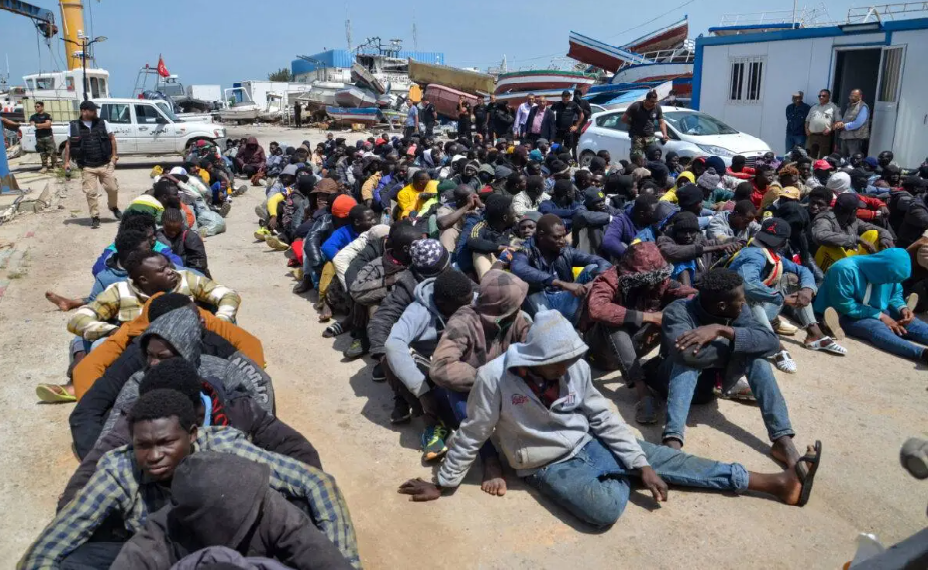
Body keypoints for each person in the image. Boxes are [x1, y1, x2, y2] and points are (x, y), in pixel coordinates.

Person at [398, 310, 823, 527]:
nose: (568, 369)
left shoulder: (575, 368)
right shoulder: (494, 378)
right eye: (559, 363)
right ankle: (628, 471)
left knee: (664, 461)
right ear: (536, 359)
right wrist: (444, 483)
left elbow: (602, 417)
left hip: (589, 442)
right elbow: (474, 431)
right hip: (544, 465)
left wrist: (638, 461)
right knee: (603, 512)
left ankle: (776, 482)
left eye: (571, 361)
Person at [19, 390, 360, 569]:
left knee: (298, 514)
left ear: (193, 434)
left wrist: (347, 561)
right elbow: (54, 543)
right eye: (143, 445)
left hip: (243, 545)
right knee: (75, 562)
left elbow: (316, 483)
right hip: (166, 553)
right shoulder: (118, 469)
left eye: (166, 442)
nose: (154, 456)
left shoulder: (225, 449)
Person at [61, 356, 319, 511]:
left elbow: (297, 450)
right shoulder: (145, 418)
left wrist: (296, 510)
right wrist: (73, 509)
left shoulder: (238, 410)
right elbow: (95, 464)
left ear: (194, 416)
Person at [658, 268, 813, 470]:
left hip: (706, 389)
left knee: (757, 358)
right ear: (722, 306)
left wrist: (724, 331)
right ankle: (672, 441)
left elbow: (771, 342)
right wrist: (739, 345)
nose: (744, 303)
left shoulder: (738, 309)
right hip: (668, 382)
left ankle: (782, 440)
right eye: (741, 300)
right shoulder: (678, 311)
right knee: (688, 362)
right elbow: (686, 354)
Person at [112, 451, 353, 570]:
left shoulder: (269, 507)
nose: (265, 506)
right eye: (251, 514)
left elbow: (323, 558)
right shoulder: (158, 538)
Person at [582, 242, 695, 423]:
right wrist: (649, 317)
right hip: (601, 352)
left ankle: (664, 370)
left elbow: (689, 295)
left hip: (636, 345)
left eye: (656, 279)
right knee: (612, 320)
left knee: (675, 311)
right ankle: (643, 392)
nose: (652, 285)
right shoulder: (609, 279)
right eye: (645, 281)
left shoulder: (659, 280)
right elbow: (598, 309)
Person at [728, 217, 847, 374]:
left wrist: (807, 290)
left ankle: (815, 335)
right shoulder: (754, 255)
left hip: (759, 309)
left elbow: (803, 270)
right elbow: (747, 284)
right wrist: (781, 298)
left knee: (793, 280)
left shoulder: (768, 252)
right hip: (734, 313)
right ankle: (775, 346)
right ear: (784, 242)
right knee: (749, 297)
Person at [384, 269, 475, 461]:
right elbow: (393, 344)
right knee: (390, 359)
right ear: (442, 303)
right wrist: (422, 391)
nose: (470, 306)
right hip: (431, 366)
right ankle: (432, 425)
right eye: (464, 304)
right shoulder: (418, 312)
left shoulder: (469, 299)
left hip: (462, 359)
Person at [68, 250, 241, 341]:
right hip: (139, 350)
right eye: (162, 270)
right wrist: (116, 332)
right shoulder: (119, 291)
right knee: (99, 345)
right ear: (144, 279)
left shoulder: (186, 279)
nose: (171, 271)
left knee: (229, 332)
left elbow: (228, 294)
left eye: (168, 266)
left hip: (192, 341)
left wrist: (220, 321)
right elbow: (78, 320)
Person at [814, 248, 928, 364]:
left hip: (876, 308)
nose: (890, 282)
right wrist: (881, 316)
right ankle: (922, 354)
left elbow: (895, 293)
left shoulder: (890, 272)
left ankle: (899, 321)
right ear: (882, 268)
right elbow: (845, 305)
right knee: (876, 328)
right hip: (844, 313)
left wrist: (902, 308)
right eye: (889, 279)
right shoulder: (844, 269)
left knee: (911, 322)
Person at [510, 213, 611, 322]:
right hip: (542, 301)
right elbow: (519, 269)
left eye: (563, 236)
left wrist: (594, 282)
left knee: (593, 268)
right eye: (557, 237)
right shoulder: (525, 251)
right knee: (525, 285)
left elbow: (603, 262)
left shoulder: (565, 251)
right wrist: (561, 284)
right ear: (541, 235)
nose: (562, 240)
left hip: (566, 299)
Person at [63, 100, 121, 229]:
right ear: (84, 111)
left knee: (113, 188)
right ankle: (95, 217)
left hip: (104, 164)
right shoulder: (73, 126)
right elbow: (68, 144)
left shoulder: (103, 123)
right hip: (87, 166)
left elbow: (112, 139)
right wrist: (66, 162)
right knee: (91, 193)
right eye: (92, 110)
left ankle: (113, 207)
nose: (95, 112)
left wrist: (114, 156)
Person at [811, 192, 894, 272]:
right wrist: (857, 240)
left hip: (845, 262)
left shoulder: (853, 221)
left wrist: (885, 238)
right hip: (824, 263)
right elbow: (820, 235)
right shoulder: (825, 219)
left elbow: (881, 230)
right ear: (853, 211)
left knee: (874, 233)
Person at [656, 211, 737, 286]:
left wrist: (737, 242)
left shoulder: (700, 239)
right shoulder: (665, 240)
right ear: (676, 232)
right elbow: (671, 251)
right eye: (683, 232)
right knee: (683, 264)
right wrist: (716, 248)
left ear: (697, 232)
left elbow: (720, 242)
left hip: (702, 283)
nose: (688, 236)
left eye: (691, 232)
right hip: (677, 285)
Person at [465, 194, 517, 279]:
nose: (515, 212)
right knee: (478, 253)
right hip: (495, 266)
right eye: (513, 210)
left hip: (517, 264)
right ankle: (489, 282)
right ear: (505, 217)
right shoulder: (482, 226)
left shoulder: (515, 225)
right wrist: (499, 248)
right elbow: (473, 240)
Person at [601, 194, 658, 260]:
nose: (658, 213)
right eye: (654, 212)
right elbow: (608, 241)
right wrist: (630, 258)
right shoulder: (621, 220)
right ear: (642, 214)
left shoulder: (656, 219)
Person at [157, 208, 210, 278]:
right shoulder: (157, 236)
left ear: (182, 223)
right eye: (169, 230)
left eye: (176, 229)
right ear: (162, 224)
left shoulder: (191, 237)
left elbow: (199, 265)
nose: (173, 233)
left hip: (190, 274)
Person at [622, 90, 668, 154]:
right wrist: (632, 123)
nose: (654, 103)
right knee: (637, 157)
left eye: (656, 101)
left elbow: (661, 122)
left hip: (650, 137)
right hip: (637, 137)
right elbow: (624, 118)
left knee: (653, 155)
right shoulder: (636, 106)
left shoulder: (657, 107)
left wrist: (664, 134)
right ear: (646, 100)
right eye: (652, 101)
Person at [834, 89, 870, 158]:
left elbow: (858, 123)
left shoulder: (863, 106)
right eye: (851, 96)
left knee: (853, 158)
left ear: (860, 96)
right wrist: (840, 124)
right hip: (845, 136)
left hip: (855, 138)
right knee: (843, 157)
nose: (852, 98)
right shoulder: (850, 106)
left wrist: (844, 126)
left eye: (855, 96)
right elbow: (846, 120)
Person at [805, 89, 839, 159]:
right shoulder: (814, 107)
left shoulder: (834, 107)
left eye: (824, 96)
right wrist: (806, 129)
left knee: (822, 158)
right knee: (809, 157)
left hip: (824, 137)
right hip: (812, 136)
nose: (821, 97)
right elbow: (807, 121)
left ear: (829, 97)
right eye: (819, 96)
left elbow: (838, 122)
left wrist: (830, 129)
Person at [550, 90, 582, 155]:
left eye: (567, 98)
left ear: (569, 97)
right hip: (558, 131)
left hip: (568, 131)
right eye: (564, 98)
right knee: (555, 148)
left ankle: (565, 159)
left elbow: (581, 115)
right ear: (561, 97)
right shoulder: (556, 104)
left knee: (567, 149)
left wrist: (576, 126)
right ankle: (555, 159)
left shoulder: (573, 104)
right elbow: (549, 113)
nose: (565, 100)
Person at [29, 101, 57, 173]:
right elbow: (32, 126)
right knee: (42, 153)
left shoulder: (47, 115)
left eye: (38, 106)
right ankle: (44, 167)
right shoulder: (33, 117)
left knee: (52, 152)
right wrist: (43, 125)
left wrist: (38, 125)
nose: (36, 108)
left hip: (48, 136)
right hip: (39, 137)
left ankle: (54, 166)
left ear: (42, 107)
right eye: (35, 106)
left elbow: (48, 125)